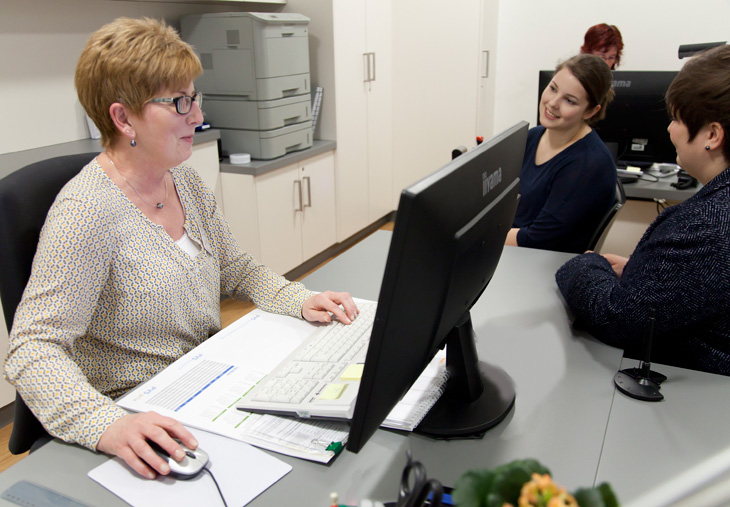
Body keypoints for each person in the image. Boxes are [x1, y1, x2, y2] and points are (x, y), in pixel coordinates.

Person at [3, 17, 359, 479]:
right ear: (122, 117)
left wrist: (299, 298)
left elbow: (236, 268)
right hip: (142, 413)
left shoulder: (183, 181)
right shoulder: (86, 213)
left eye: (195, 98)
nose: (197, 115)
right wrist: (107, 425)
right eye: (179, 102)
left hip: (206, 383)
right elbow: (32, 348)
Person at [555, 45, 730, 377]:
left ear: (712, 134)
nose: (669, 129)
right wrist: (643, 273)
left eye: (677, 119)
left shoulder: (705, 229)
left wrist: (586, 263)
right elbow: (693, 288)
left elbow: (618, 318)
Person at [506, 54, 617, 253]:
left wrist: (481, 237)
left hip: (541, 262)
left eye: (570, 100)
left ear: (590, 111)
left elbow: (536, 240)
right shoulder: (533, 136)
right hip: (516, 252)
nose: (553, 103)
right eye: (553, 88)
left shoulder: (588, 164)